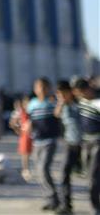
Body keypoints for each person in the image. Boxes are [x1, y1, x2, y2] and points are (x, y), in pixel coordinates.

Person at [28, 77, 61, 212]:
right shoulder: (33, 104)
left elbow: (58, 115)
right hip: (37, 142)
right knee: (39, 172)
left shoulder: (52, 103)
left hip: (49, 141)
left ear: (48, 88)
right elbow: (30, 121)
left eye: (43, 87)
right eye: (38, 87)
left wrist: (60, 103)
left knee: (43, 169)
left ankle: (54, 197)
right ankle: (49, 198)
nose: (40, 89)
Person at [55, 80, 82, 214]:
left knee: (92, 176)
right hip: (69, 143)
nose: (61, 96)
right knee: (64, 173)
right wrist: (61, 103)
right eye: (59, 94)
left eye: (63, 94)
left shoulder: (79, 104)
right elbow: (56, 114)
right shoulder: (63, 106)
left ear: (70, 92)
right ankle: (66, 205)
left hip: (84, 144)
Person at [74, 78, 100, 215]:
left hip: (97, 142)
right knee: (88, 174)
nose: (81, 95)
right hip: (85, 143)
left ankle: (95, 207)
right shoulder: (80, 103)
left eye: (82, 92)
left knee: (93, 176)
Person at [9, 94, 34, 182]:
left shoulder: (32, 111)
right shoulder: (21, 112)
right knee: (25, 153)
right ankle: (25, 169)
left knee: (33, 152)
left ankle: (31, 168)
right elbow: (12, 122)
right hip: (25, 135)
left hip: (34, 135)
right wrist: (18, 129)